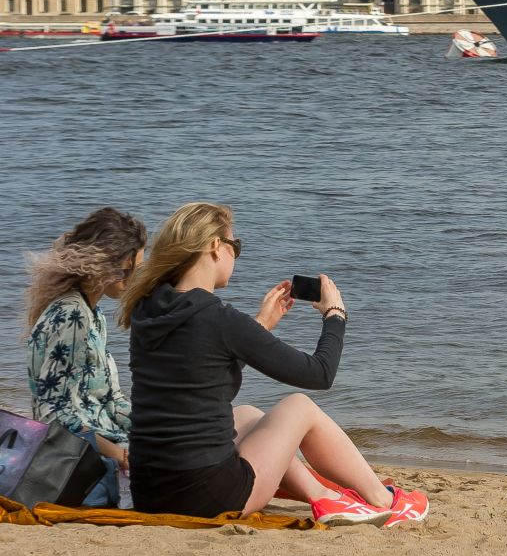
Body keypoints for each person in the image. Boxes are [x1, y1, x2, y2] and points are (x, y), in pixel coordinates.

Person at [119, 202, 427, 526]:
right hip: (203, 497)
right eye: (234, 246)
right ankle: (385, 499)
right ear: (214, 246)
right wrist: (335, 316)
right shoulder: (220, 319)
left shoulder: (147, 311)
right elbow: (320, 374)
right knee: (299, 407)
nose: (235, 254)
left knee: (250, 416)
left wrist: (260, 326)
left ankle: (325, 497)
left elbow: (198, 374)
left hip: (150, 492)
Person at [23, 209, 147, 507]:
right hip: (82, 461)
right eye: (128, 270)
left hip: (100, 443)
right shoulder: (73, 316)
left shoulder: (92, 314)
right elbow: (54, 416)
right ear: (103, 264)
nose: (133, 279)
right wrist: (119, 453)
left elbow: (109, 401)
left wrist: (150, 426)